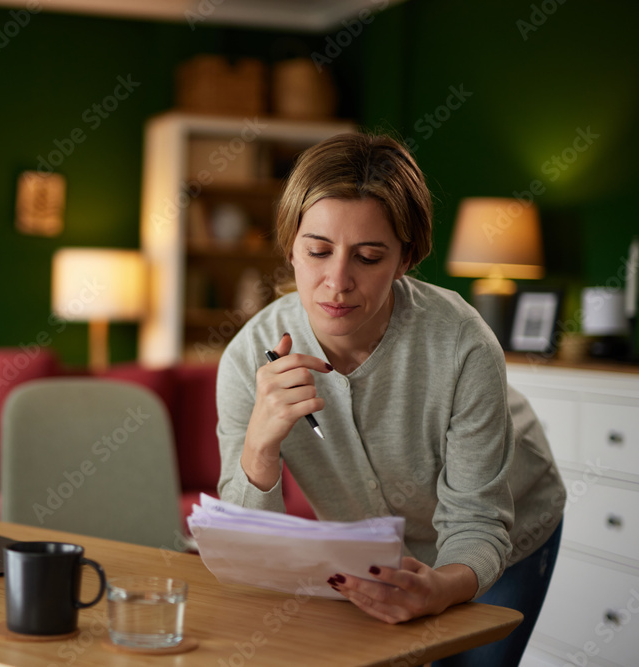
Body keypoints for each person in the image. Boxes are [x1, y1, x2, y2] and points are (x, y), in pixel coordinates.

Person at [216, 133, 566, 667]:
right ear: (290, 247)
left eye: (369, 256)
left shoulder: (462, 344)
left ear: (406, 258)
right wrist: (260, 448)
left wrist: (440, 587)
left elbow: (478, 519)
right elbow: (245, 552)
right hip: (381, 555)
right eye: (317, 251)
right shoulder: (249, 359)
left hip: (507, 531)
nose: (337, 282)